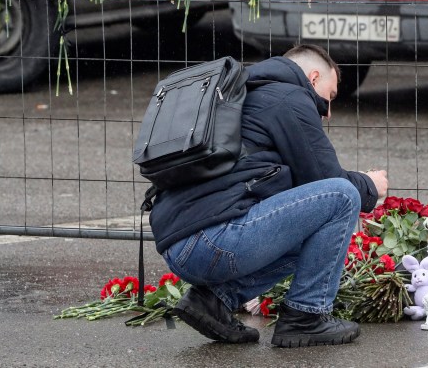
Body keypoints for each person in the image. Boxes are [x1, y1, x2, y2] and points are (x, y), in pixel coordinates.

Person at [150, 44, 389, 347]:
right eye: (329, 98)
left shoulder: (245, 94)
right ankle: (306, 317)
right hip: (212, 240)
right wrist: (369, 184)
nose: (327, 113)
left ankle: (212, 301)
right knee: (343, 196)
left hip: (181, 246)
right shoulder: (289, 97)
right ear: (313, 78)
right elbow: (329, 180)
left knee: (315, 222)